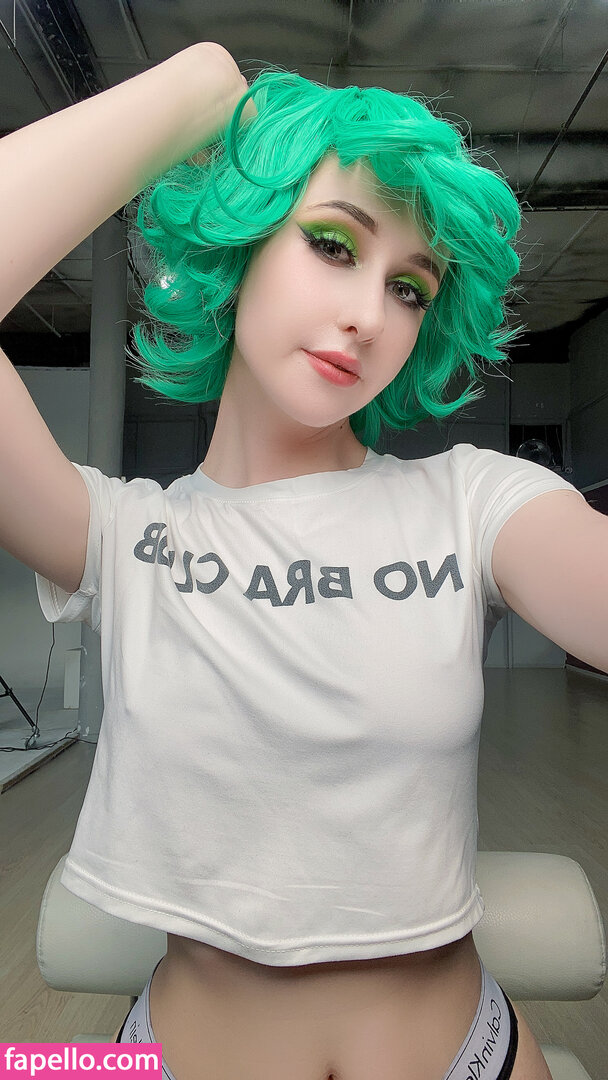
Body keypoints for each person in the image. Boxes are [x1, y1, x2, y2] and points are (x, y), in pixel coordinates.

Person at [2, 40, 604, 1080]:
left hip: (465, 1053)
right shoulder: (123, 536)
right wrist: (201, 87)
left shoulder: (473, 502)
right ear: (240, 239)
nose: (369, 316)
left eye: (409, 288)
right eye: (331, 243)